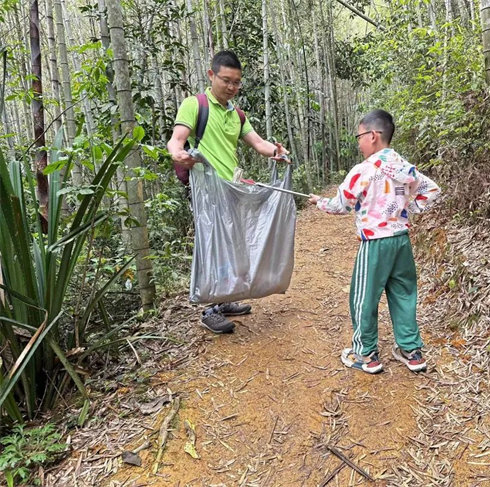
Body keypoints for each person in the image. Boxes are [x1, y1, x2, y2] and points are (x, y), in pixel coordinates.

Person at [308, 109, 441, 374]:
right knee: (403, 294)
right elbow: (432, 190)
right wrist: (407, 209)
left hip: (375, 244)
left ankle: (366, 355)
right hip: (401, 240)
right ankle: (412, 352)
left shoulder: (364, 170)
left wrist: (318, 201)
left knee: (363, 298)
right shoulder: (404, 166)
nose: (358, 143)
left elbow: (341, 204)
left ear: (373, 135)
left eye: (359, 136)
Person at [167, 50, 289, 334]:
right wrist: (179, 155)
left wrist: (277, 152)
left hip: (231, 190)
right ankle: (209, 309)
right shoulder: (194, 105)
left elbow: (258, 143)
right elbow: (176, 140)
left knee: (232, 243)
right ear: (211, 76)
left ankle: (225, 300)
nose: (232, 87)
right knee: (212, 244)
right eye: (226, 81)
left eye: (237, 83)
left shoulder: (237, 114)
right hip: (206, 190)